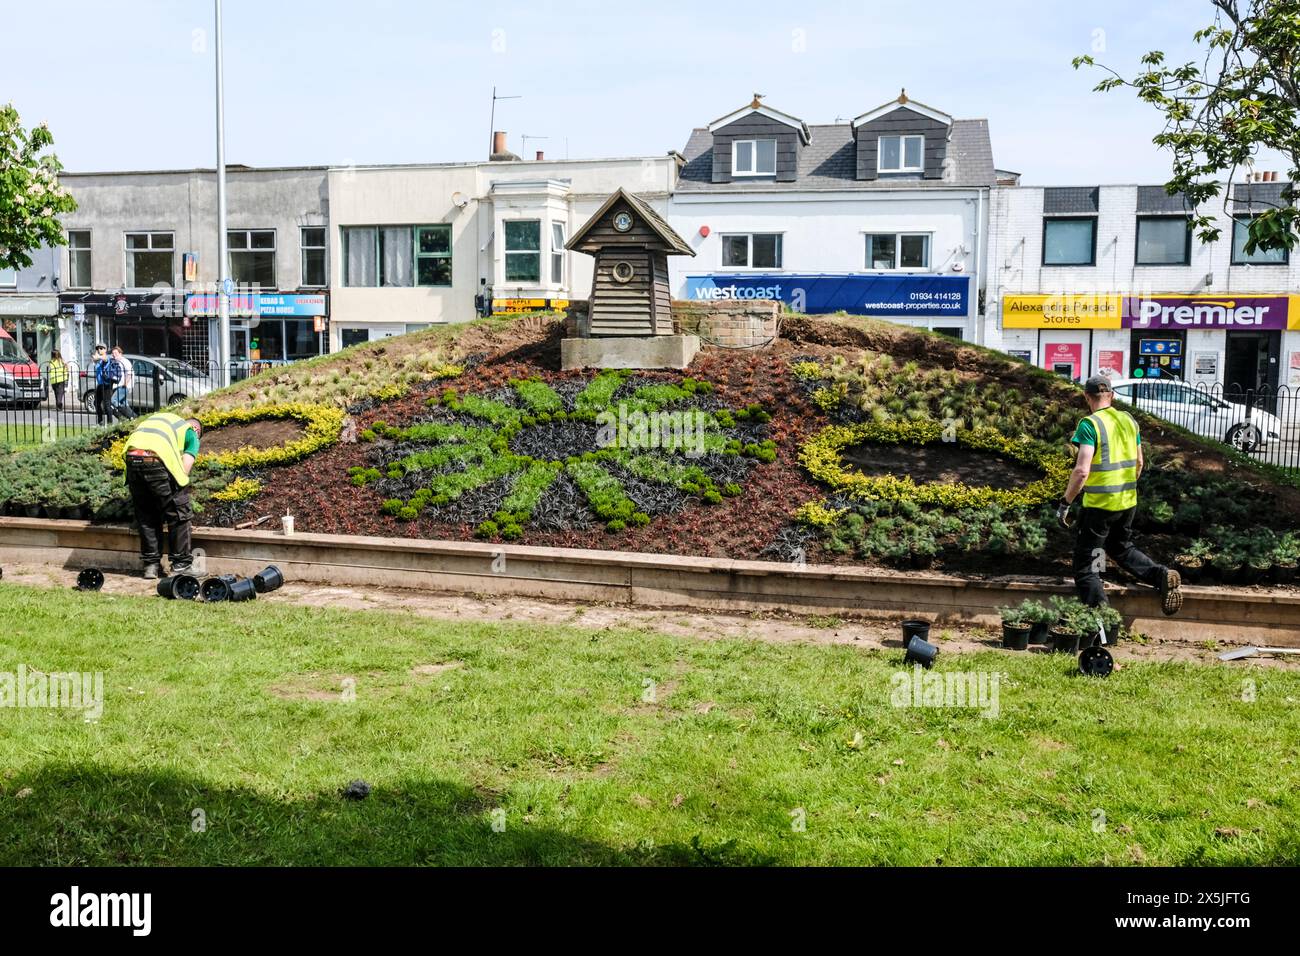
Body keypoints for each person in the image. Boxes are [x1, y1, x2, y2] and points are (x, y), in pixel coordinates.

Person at [1058, 374, 1182, 616]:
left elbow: (1081, 470)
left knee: (1088, 566)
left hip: (1100, 507)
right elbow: (1139, 461)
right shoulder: (1128, 420)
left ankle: (1101, 619)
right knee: (1120, 547)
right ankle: (1161, 575)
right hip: (1127, 502)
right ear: (1112, 396)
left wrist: (1065, 503)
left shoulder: (1090, 424)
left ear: (1087, 397)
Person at [123, 412, 202, 579]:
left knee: (146, 515)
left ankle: (151, 566)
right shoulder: (191, 433)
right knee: (179, 513)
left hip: (132, 460)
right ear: (196, 429)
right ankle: (181, 565)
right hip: (155, 460)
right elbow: (184, 470)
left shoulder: (165, 422)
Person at [92, 344, 121, 425]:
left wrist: (98, 357)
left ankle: (109, 424)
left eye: (101, 348)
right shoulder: (98, 360)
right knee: (96, 403)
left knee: (107, 404)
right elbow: (95, 362)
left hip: (107, 384)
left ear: (105, 349)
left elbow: (105, 359)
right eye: (97, 348)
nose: (99, 350)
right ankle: (100, 422)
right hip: (100, 384)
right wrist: (96, 359)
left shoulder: (106, 358)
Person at [109, 346, 136, 419]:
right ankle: (131, 419)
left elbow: (129, 373)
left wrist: (125, 384)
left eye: (116, 353)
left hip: (124, 386)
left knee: (113, 401)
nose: (114, 355)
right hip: (119, 386)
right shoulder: (116, 362)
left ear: (120, 353)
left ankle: (129, 417)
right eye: (113, 353)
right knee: (123, 404)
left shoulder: (124, 361)